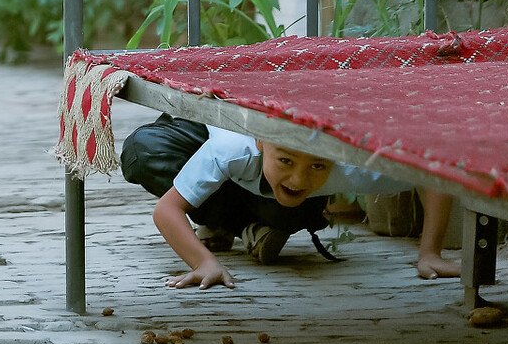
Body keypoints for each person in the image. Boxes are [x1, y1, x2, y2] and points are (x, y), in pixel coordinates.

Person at [120, 113, 460, 289]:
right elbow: (167, 209)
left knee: (293, 194)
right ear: (261, 142)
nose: (300, 178)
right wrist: (202, 262)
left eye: (317, 166)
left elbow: (433, 172)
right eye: (287, 161)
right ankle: (226, 221)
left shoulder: (351, 167)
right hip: (219, 147)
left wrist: (430, 253)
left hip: (279, 199)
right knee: (143, 149)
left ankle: (255, 221)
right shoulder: (232, 147)